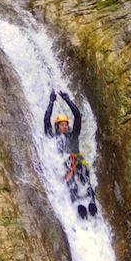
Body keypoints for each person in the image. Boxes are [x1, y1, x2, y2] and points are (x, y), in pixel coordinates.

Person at [44, 90, 97, 219]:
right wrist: (51, 102)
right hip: (66, 163)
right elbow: (46, 120)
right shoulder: (53, 136)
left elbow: (77, 116)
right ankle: (78, 205)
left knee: (85, 175)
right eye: (62, 125)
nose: (65, 127)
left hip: (77, 159)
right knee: (71, 180)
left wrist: (67, 99)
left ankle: (91, 202)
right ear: (57, 126)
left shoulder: (73, 135)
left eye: (66, 124)